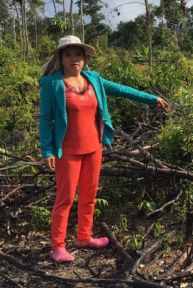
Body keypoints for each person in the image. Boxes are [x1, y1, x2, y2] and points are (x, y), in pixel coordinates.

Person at [39, 35, 169, 263]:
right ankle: (58, 246)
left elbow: (123, 89)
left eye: (78, 54)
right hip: (67, 151)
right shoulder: (52, 84)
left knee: (89, 196)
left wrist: (152, 98)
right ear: (60, 58)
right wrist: (47, 151)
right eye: (68, 54)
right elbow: (45, 119)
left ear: (85, 58)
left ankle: (84, 237)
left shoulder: (94, 80)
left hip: (93, 148)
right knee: (65, 199)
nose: (73, 59)